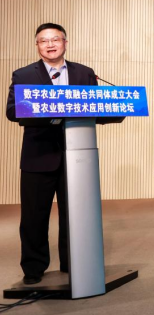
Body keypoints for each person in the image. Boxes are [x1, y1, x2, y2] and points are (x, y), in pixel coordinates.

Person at [5, 23, 98, 285]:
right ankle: (34, 268)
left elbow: (97, 106)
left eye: (55, 39)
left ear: (65, 43)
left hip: (77, 156)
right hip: (38, 156)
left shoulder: (84, 73)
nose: (50, 44)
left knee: (75, 215)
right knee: (34, 216)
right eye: (43, 41)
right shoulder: (24, 74)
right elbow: (12, 111)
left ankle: (73, 262)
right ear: (37, 45)